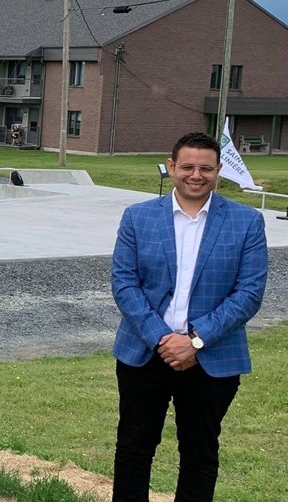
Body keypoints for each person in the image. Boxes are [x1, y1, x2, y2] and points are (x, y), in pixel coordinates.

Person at [110, 132, 267, 501]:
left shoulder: (247, 222)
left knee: (199, 453)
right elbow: (124, 283)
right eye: (188, 167)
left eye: (205, 168)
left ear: (218, 171)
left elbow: (248, 294)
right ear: (172, 167)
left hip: (211, 358)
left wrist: (195, 341)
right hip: (145, 353)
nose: (196, 175)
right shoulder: (138, 217)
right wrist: (162, 338)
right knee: (134, 448)